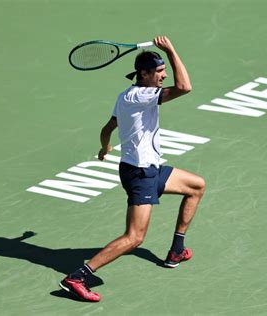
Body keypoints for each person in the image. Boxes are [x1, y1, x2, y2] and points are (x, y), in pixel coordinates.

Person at [59, 36, 205, 302]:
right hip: (140, 174)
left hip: (145, 168)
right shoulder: (141, 95)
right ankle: (77, 277)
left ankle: (176, 251)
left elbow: (107, 129)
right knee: (135, 237)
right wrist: (171, 49)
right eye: (159, 72)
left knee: (196, 186)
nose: (163, 76)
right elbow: (185, 87)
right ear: (144, 74)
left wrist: (105, 148)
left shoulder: (124, 95)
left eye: (164, 72)